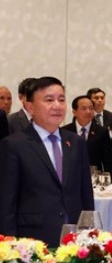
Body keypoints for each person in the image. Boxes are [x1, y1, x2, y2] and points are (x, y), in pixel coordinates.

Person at [0, 76, 93, 246]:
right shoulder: (14, 144)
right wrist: (8, 243)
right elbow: (7, 201)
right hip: (31, 241)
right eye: (49, 100)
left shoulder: (76, 143)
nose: (57, 105)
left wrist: (89, 233)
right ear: (30, 107)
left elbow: (86, 193)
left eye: (61, 99)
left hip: (74, 242)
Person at [61, 95, 112, 176]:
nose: (88, 111)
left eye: (91, 108)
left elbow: (108, 161)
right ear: (74, 112)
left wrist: (109, 182)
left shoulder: (102, 132)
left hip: (94, 178)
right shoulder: (64, 131)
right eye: (84, 108)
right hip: (70, 176)